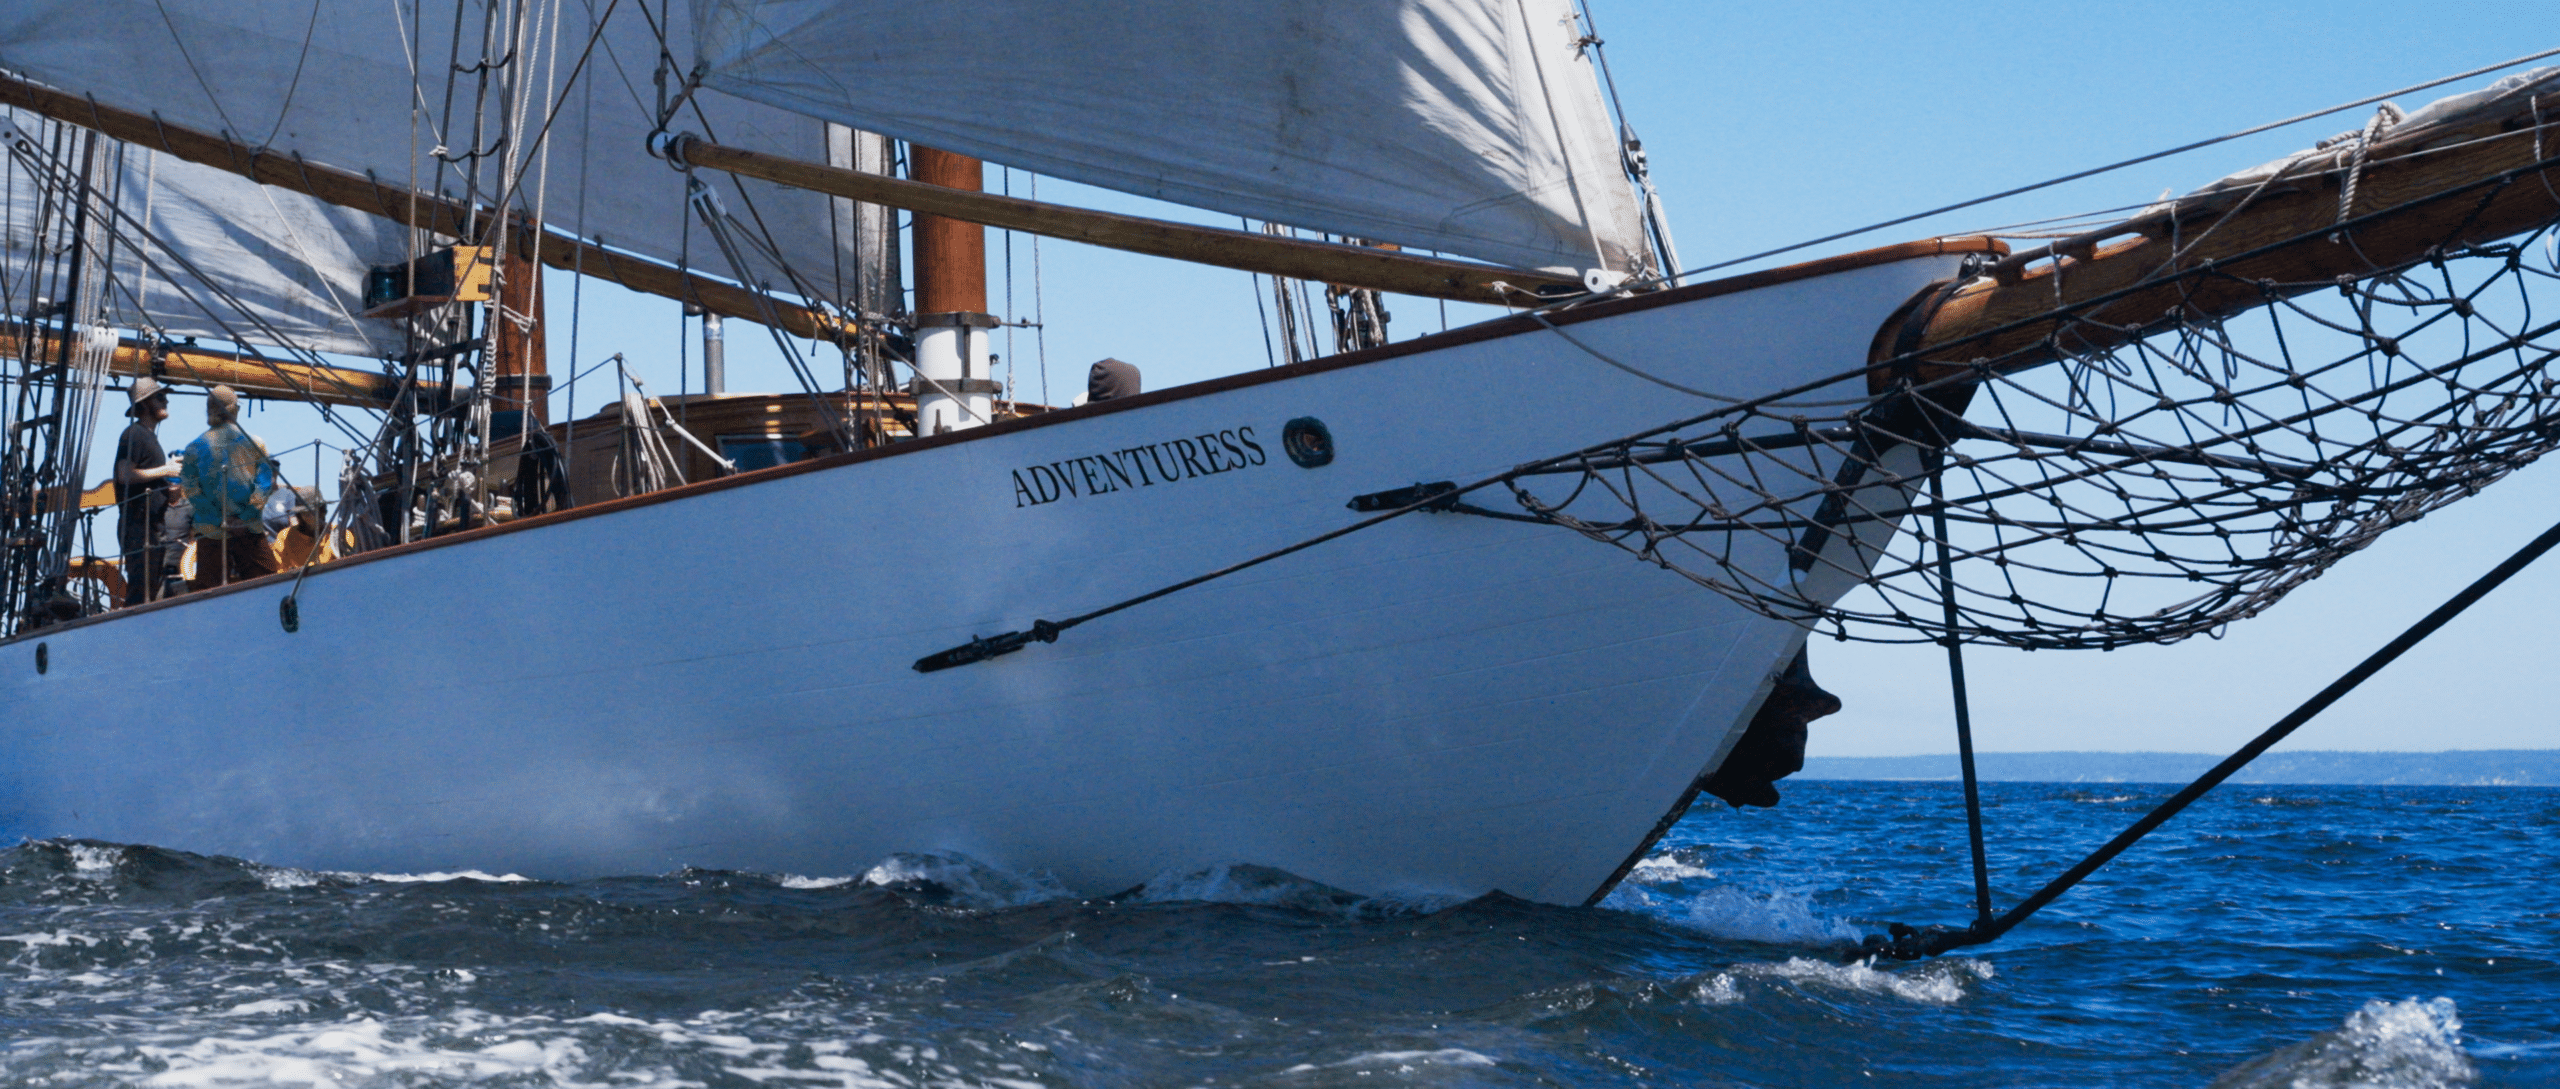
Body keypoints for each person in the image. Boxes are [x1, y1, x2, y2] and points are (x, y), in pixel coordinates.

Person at [178, 385, 280, 591]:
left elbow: (191, 490)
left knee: (209, 589)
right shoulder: (255, 443)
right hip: (248, 527)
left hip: (211, 529)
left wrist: (220, 520)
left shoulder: (193, 448)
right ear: (234, 410)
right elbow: (264, 485)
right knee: (267, 583)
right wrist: (246, 516)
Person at [110, 376, 186, 607]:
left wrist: (169, 483)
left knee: (154, 591)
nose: (166, 401)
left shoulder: (148, 437)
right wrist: (166, 468)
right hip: (138, 527)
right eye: (160, 397)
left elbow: (144, 478)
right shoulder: (133, 434)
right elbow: (124, 475)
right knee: (142, 590)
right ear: (144, 404)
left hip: (152, 526)